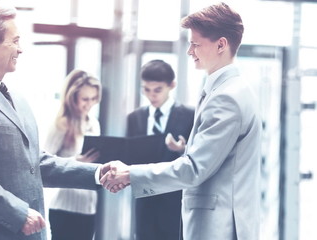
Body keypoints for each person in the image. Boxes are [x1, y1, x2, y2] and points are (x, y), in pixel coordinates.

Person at [0, 4, 102, 240]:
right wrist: (18, 213)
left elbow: (36, 164)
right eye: (14, 41)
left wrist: (97, 173)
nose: (20, 49)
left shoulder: (18, 99)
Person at [100, 3, 262, 240]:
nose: (189, 51)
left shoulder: (226, 97)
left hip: (219, 228)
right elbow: (221, 159)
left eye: (195, 43)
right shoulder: (228, 90)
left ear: (221, 44)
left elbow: (195, 168)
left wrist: (130, 174)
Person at [126, 60, 194, 240]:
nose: (151, 95)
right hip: (143, 199)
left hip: (175, 200)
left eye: (157, 90)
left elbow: (200, 158)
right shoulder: (135, 117)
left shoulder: (190, 115)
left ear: (171, 85)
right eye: (146, 89)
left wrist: (182, 149)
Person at [44, 70, 101, 240]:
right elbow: (43, 163)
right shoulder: (60, 124)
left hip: (89, 207)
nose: (89, 104)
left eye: (93, 99)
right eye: (85, 99)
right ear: (72, 97)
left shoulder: (93, 123)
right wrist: (76, 161)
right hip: (64, 208)